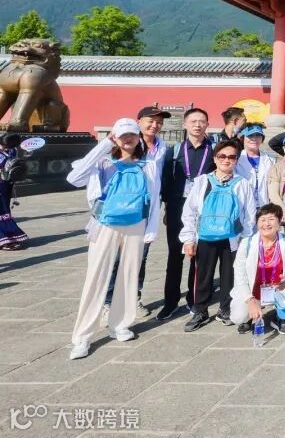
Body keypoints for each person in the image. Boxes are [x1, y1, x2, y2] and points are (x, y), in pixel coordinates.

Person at [66, 118, 161, 359]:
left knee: (129, 275)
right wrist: (103, 145)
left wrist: (151, 230)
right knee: (96, 277)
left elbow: (154, 198)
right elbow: (74, 178)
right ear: (114, 138)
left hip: (136, 224)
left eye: (132, 134)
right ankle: (82, 336)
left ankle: (120, 323)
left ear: (138, 137)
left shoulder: (148, 165)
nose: (128, 139)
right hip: (104, 224)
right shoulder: (102, 162)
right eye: (122, 135)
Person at [180, 139, 257, 332]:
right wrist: (188, 238)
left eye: (231, 157)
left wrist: (245, 239)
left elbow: (249, 215)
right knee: (202, 276)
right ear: (215, 158)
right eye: (222, 156)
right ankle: (200, 310)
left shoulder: (243, 184)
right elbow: (189, 211)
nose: (226, 160)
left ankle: (225, 309)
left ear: (236, 160)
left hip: (232, 238)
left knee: (229, 276)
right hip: (205, 236)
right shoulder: (202, 181)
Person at [103, 105, 169, 320]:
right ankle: (108, 302)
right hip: (122, 210)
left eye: (159, 122)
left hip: (147, 211)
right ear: (138, 121)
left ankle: (134, 297)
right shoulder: (127, 142)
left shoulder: (162, 147)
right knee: (116, 258)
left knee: (140, 257)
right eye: (150, 121)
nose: (155, 125)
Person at [158, 107, 214, 321]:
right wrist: (166, 208)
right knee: (175, 255)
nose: (198, 125)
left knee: (199, 257)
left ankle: (194, 299)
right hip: (177, 209)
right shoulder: (174, 151)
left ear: (207, 125)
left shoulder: (214, 151)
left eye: (202, 121)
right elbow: (166, 181)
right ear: (185, 124)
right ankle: (170, 302)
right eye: (193, 121)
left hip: (204, 210)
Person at [230, 203, 285, 334]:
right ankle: (249, 315)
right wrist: (249, 300)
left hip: (278, 288)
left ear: (279, 222)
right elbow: (239, 274)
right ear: (257, 223)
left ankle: (283, 317)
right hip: (254, 290)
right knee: (238, 316)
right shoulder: (246, 243)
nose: (266, 224)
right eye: (262, 220)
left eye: (271, 219)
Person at [235, 124, 275, 207]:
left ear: (262, 139)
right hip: (242, 205)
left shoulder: (271, 160)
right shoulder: (236, 159)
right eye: (250, 136)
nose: (254, 139)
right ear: (243, 138)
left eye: (258, 135)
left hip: (264, 206)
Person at [0, 134, 28, 250]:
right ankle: (3, 240)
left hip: (6, 185)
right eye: (3, 145)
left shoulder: (12, 151)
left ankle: (8, 237)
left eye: (7, 146)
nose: (4, 148)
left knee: (4, 210)